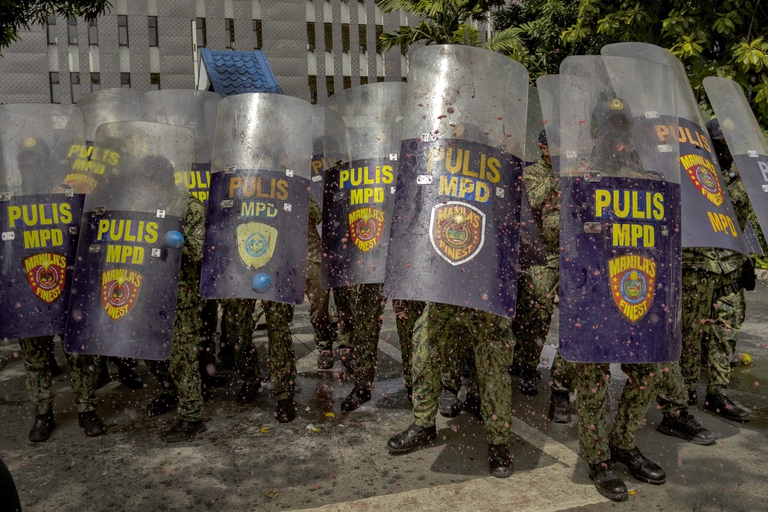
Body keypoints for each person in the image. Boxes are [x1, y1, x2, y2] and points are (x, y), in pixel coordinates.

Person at [13, 137, 105, 442]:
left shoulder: (67, 194)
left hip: (68, 288)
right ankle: (42, 414)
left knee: (78, 353)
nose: (29, 164)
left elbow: (88, 236)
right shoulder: (11, 199)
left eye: (34, 158)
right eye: (24, 159)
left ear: (45, 161)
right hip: (27, 289)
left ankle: (87, 410)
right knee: (35, 358)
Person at [674, 119, 750, 422]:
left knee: (725, 331)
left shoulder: (741, 176)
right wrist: (732, 176)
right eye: (722, 144)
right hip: (698, 264)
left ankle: (718, 393)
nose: (726, 151)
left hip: (730, 266)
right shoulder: (691, 168)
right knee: (692, 333)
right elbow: (714, 202)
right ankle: (687, 392)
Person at [386, 303, 515, 478]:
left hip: (487, 300)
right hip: (446, 297)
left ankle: (498, 442)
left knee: (494, 367)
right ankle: (423, 425)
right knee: (424, 348)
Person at [510, 130, 560, 396]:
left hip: (574, 251)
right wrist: (556, 179)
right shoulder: (533, 174)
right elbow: (532, 200)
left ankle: (564, 377)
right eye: (556, 145)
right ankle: (527, 366)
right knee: (538, 310)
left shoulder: (574, 171)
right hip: (544, 254)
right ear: (543, 147)